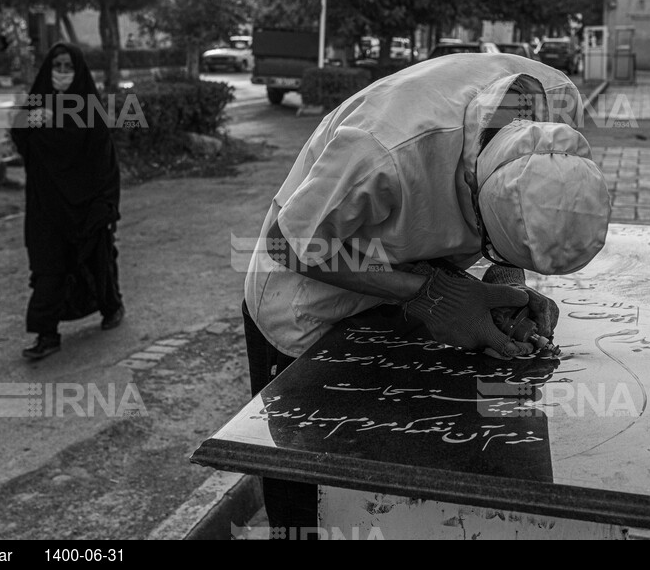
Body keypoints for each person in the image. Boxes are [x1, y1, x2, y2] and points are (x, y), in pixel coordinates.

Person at [242, 52, 612, 537]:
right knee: (311, 488)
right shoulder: (384, 149)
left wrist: (505, 285)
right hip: (309, 300)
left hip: (399, 282)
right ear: (474, 186)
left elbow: (528, 198)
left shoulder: (555, 100)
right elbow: (285, 241)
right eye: (489, 241)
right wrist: (433, 293)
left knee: (388, 490)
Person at [9, 42, 125, 360]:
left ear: (78, 72)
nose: (61, 73)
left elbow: (103, 160)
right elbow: (18, 134)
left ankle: (111, 306)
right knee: (49, 268)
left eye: (68, 67)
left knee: (97, 261)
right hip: (47, 205)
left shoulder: (89, 109)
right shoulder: (37, 104)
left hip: (87, 204)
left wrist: (105, 204)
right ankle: (47, 334)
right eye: (56, 66)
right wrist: (30, 123)